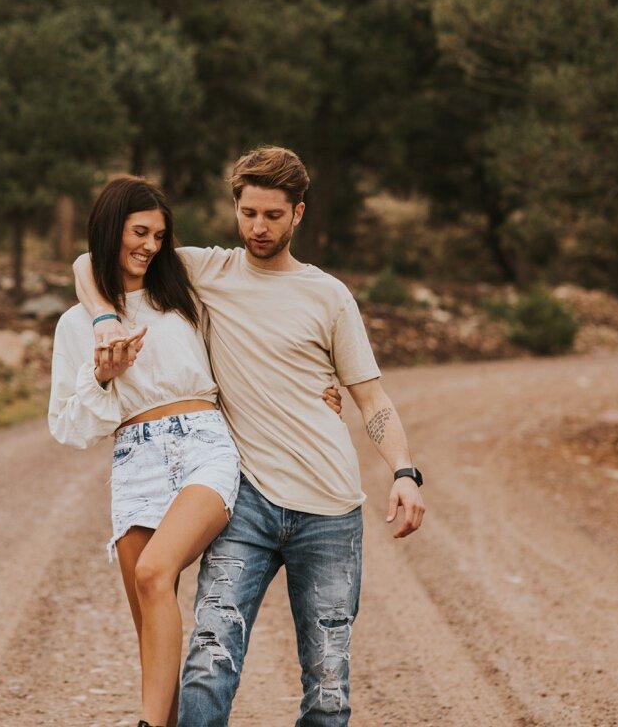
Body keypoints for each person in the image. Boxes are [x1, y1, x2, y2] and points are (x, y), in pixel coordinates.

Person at [73, 146, 425, 727]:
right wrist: (103, 318)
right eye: (249, 213)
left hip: (329, 510)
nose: (259, 228)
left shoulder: (328, 295)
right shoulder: (206, 272)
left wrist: (404, 472)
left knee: (328, 687)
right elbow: (92, 262)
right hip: (247, 503)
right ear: (236, 209)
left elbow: (372, 399)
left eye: (273, 215)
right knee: (208, 664)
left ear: (299, 214)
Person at [49, 176, 342, 727]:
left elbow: (251, 354)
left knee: (155, 573)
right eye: (140, 232)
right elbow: (70, 427)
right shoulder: (75, 325)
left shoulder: (183, 297)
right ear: (113, 229)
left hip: (204, 445)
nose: (151, 246)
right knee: (149, 624)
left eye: (160, 235)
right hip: (134, 456)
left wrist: (314, 391)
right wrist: (103, 375)